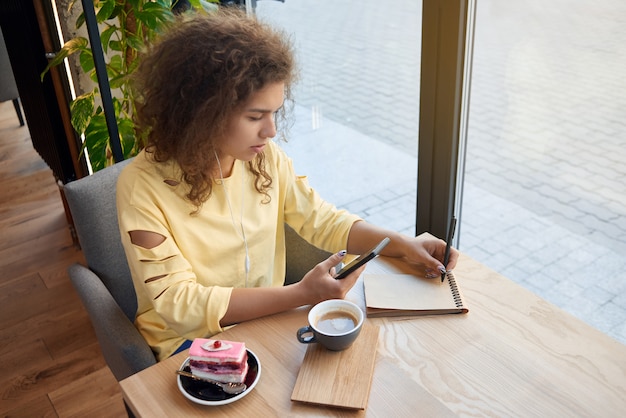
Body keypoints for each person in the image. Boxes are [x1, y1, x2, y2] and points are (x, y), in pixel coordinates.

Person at [116, 8, 459, 361]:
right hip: (189, 345)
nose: (271, 131)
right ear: (203, 112)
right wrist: (301, 293)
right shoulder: (142, 187)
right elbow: (179, 304)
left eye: (274, 112)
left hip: (267, 322)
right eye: (254, 117)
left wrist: (402, 244)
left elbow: (321, 220)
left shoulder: (263, 159)